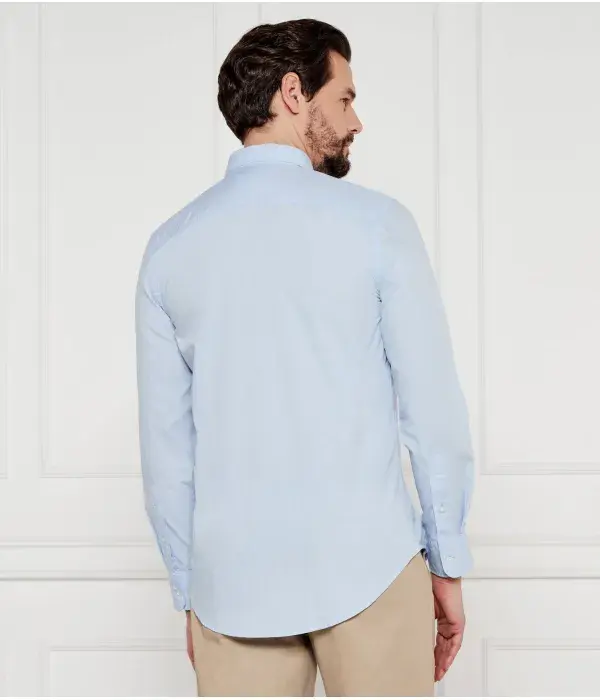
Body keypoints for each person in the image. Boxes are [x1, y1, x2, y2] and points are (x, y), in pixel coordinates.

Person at [135, 17, 474, 697]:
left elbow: (167, 453)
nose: (356, 122)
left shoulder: (170, 248)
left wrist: (191, 591)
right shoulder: (379, 225)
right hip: (372, 567)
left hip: (234, 587)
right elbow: (433, 414)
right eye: (344, 98)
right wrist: (447, 562)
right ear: (294, 93)